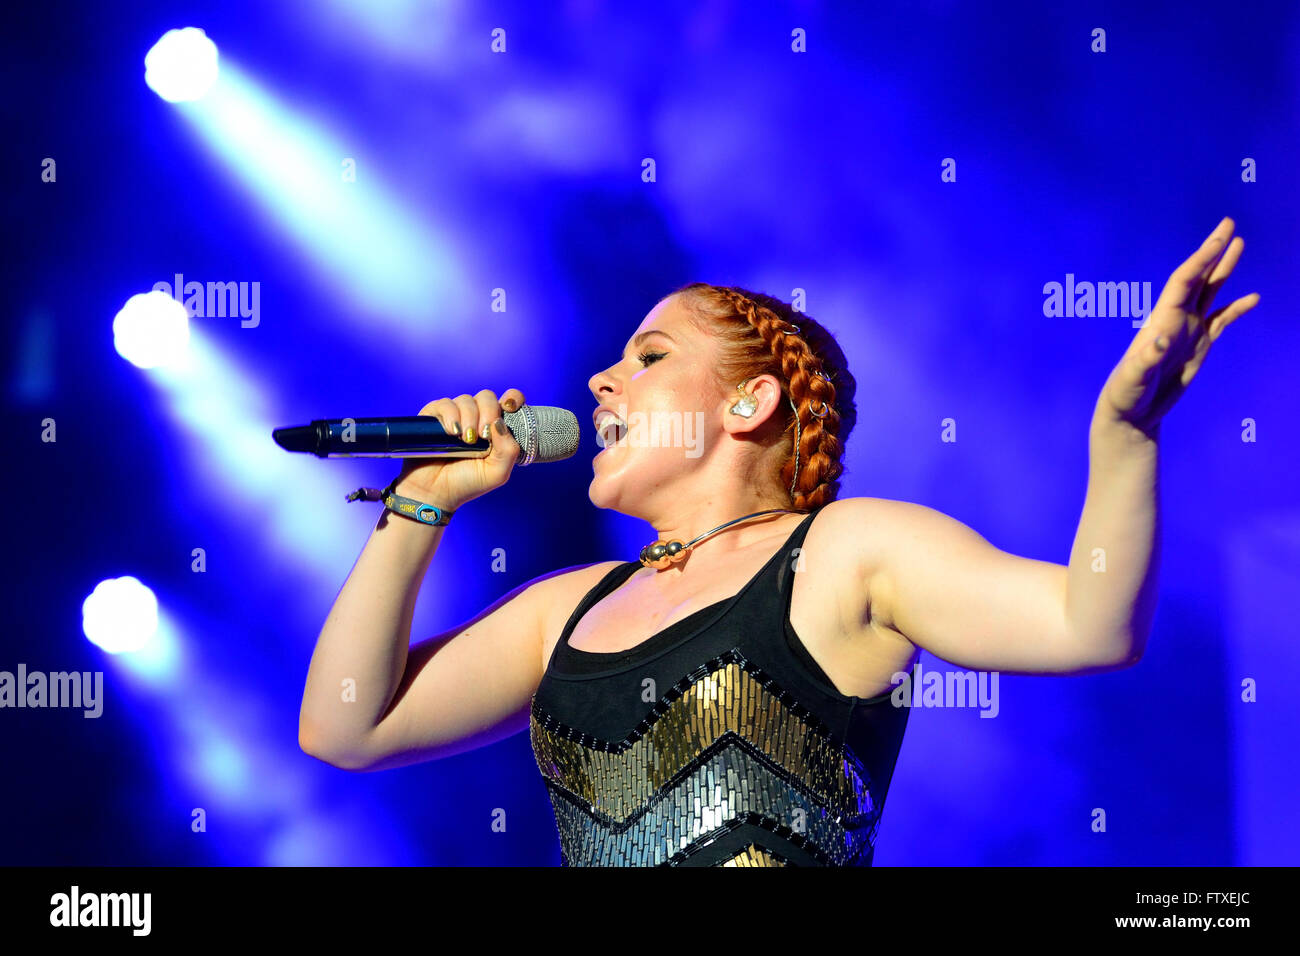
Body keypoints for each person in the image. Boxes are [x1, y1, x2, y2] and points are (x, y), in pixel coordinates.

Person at [298, 217, 1258, 865]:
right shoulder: (570, 607)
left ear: (751, 402)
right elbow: (346, 727)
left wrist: (1126, 437)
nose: (601, 380)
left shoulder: (845, 553)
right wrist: (419, 500)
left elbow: (1089, 624)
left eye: (650, 357)